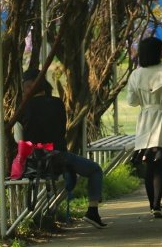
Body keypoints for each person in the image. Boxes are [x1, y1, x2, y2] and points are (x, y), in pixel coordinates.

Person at [15, 68, 108, 229]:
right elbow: (61, 131)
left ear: (30, 86)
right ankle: (92, 211)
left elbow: (19, 140)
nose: (24, 91)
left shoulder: (23, 108)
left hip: (34, 162)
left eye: (25, 87)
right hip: (58, 157)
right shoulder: (57, 103)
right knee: (95, 170)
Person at [127, 36, 162, 219]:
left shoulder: (136, 74)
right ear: (158, 52)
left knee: (149, 165)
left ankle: (152, 205)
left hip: (145, 121)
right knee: (160, 166)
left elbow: (132, 101)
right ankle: (157, 205)